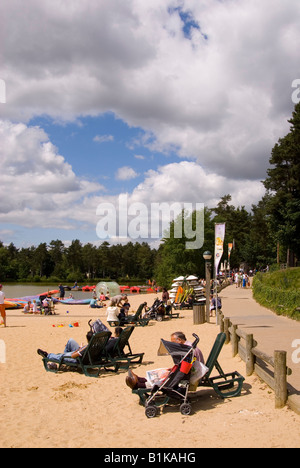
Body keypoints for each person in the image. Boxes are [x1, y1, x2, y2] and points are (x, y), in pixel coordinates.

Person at [125, 331, 204, 390]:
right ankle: (139, 379)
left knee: (164, 378)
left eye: (173, 342)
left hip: (190, 374)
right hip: (188, 371)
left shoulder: (188, 350)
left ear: (179, 340)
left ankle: (137, 385)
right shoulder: (188, 347)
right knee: (163, 372)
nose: (173, 345)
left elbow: (188, 367)